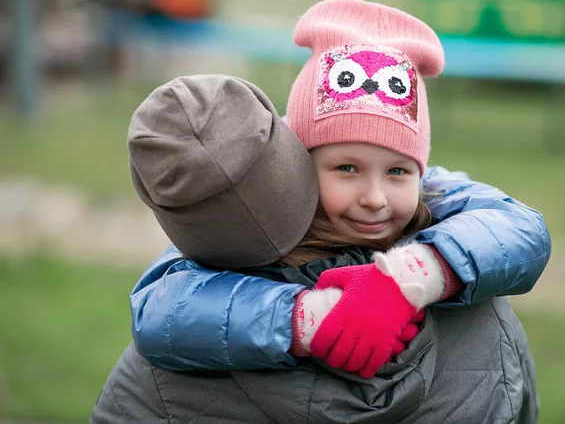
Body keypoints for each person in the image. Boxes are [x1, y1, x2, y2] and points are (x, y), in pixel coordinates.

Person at [93, 73, 539, 423]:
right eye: (346, 167)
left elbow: (158, 310)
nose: (375, 196)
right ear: (300, 162)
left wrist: (407, 276)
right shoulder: (484, 316)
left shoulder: (169, 351)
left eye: (399, 171)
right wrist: (313, 316)